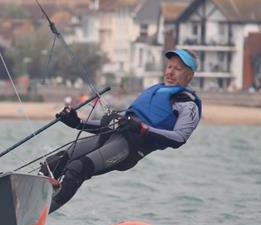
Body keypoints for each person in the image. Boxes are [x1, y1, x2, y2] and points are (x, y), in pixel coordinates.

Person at [42, 48, 202, 214]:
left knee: (77, 169)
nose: (171, 72)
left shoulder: (188, 105)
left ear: (189, 75)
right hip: (110, 137)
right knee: (55, 162)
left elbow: (179, 138)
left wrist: (142, 129)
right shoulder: (155, 91)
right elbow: (120, 121)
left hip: (128, 149)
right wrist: (78, 123)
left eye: (178, 69)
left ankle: (39, 215)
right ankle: (21, 200)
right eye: (169, 67)